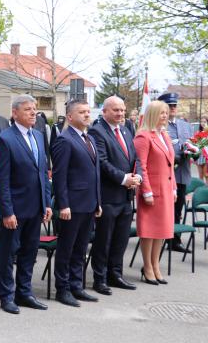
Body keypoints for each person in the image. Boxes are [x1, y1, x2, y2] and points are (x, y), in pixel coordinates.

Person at [0, 95, 52, 314]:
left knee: (30, 252)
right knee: (9, 254)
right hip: (15, 209)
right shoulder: (5, 139)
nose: (33, 113)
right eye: (28, 109)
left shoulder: (38, 135)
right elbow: (2, 180)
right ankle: (6, 296)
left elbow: (43, 173)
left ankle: (24, 292)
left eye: (34, 109)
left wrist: (47, 203)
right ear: (15, 113)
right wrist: (7, 211)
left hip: (36, 207)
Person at [88, 96, 142, 296]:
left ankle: (115, 274)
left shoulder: (126, 130)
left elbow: (135, 158)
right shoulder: (97, 131)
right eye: (116, 110)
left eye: (122, 110)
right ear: (104, 111)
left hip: (126, 196)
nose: (120, 113)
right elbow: (102, 162)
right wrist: (123, 178)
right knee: (104, 240)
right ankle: (100, 278)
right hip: (108, 196)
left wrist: (138, 176)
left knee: (121, 239)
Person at [52, 99, 102, 307]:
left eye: (88, 111)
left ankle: (76, 285)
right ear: (70, 117)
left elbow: (95, 173)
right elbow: (59, 175)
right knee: (67, 248)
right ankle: (62, 289)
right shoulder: (65, 140)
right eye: (82, 112)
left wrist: (98, 201)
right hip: (72, 205)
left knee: (81, 248)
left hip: (89, 203)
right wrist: (63, 204)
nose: (87, 115)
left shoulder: (89, 138)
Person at [133, 100, 177, 285]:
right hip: (152, 191)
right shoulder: (143, 136)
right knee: (149, 230)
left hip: (166, 189)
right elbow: (140, 166)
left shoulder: (164, 135)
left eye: (166, 112)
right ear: (152, 114)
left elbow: (170, 165)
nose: (165, 116)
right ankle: (148, 267)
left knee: (162, 230)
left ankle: (155, 265)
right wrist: (146, 192)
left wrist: (174, 187)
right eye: (161, 113)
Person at [158, 92, 193, 253]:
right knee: (165, 209)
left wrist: (195, 152)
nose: (173, 108)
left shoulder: (185, 126)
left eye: (174, 105)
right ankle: (160, 237)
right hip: (166, 174)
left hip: (182, 174)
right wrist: (176, 156)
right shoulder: (159, 126)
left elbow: (193, 145)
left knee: (178, 209)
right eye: (169, 105)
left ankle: (175, 240)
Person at [195, 116, 208, 186]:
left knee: (206, 175)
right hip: (199, 155)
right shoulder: (198, 132)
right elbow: (195, 144)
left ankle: (207, 189)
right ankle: (201, 189)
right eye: (201, 122)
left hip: (206, 156)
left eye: (204, 122)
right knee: (200, 175)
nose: (203, 123)